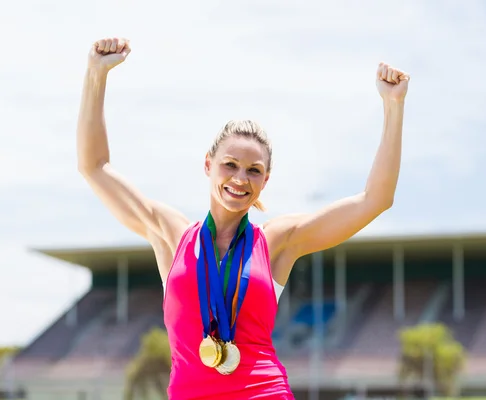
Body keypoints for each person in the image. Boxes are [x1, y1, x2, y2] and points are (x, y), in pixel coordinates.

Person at [76, 37, 410, 400]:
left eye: (254, 170)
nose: (239, 179)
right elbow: (94, 166)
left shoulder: (277, 241)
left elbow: (375, 200)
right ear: (208, 164)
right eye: (230, 165)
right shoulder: (172, 233)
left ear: (265, 180)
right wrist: (96, 76)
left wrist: (393, 107)